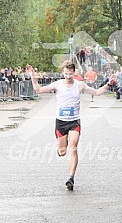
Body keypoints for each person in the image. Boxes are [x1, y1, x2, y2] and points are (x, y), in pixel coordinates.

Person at [26, 61, 113, 190]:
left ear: (74, 72)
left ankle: (71, 178)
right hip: (61, 122)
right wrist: (33, 76)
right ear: (63, 73)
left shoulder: (80, 85)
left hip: (74, 121)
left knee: (73, 146)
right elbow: (38, 90)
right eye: (65, 74)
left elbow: (97, 93)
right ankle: (62, 146)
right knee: (62, 152)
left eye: (70, 74)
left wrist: (108, 84)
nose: (67, 76)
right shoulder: (58, 85)